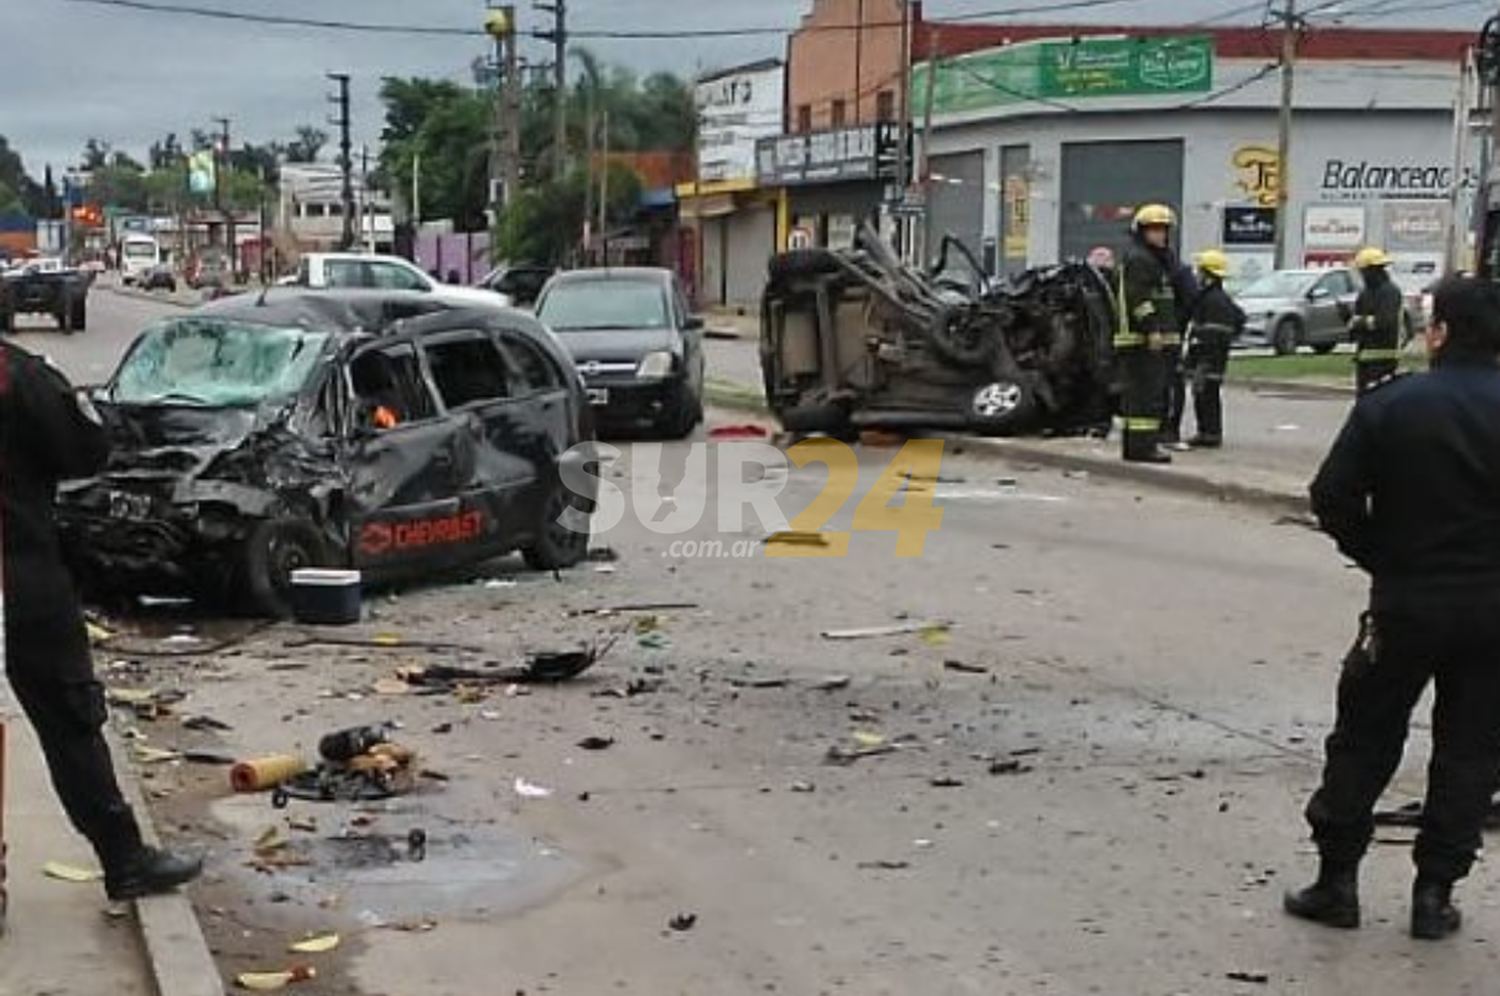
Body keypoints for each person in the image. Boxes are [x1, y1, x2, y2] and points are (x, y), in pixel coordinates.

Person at [1287, 275, 1500, 941]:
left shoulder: (1393, 404)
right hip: (1493, 609)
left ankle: (1337, 883)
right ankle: (1434, 896)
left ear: (1438, 333)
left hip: (1406, 601)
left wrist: (1381, 554)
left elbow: (1333, 493)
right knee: (1471, 749)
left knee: (1366, 736)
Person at [0, 341, 202, 901]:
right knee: (70, 716)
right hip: (19, 579)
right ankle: (124, 856)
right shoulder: (16, 376)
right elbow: (84, 449)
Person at [1114, 204, 1183, 464]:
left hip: (1141, 339)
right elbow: (1139, 299)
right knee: (1147, 396)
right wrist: (1153, 330)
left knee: (1139, 396)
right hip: (1140, 339)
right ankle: (1144, 448)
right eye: (1154, 230)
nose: (1160, 235)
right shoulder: (1141, 259)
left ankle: (1136, 447)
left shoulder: (1152, 259)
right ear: (1141, 231)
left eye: (1163, 230)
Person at [1179, 249, 1245, 448]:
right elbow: (1239, 319)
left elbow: (1214, 333)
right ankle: (1208, 432)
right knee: (1206, 393)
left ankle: (1209, 434)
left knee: (1206, 395)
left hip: (1208, 357)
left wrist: (1204, 359)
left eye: (1200, 273)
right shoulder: (1216, 297)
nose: (1197, 277)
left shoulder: (1213, 300)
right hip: (1211, 356)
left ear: (1208, 276)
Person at [1349, 247, 1404, 393]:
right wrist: (1349, 320)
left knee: (1379, 402)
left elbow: (1384, 322)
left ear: (1374, 270)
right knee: (1364, 402)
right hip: (1364, 360)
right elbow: (1356, 324)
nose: (1362, 275)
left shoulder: (1390, 292)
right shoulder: (1365, 293)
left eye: (1363, 271)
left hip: (1385, 359)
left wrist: (1360, 322)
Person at [1163, 260, 1199, 447]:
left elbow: (1192, 301)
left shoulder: (1176, 271)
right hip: (1159, 339)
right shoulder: (1147, 267)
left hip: (1168, 339)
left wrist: (1177, 322)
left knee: (1171, 384)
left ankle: (1169, 430)